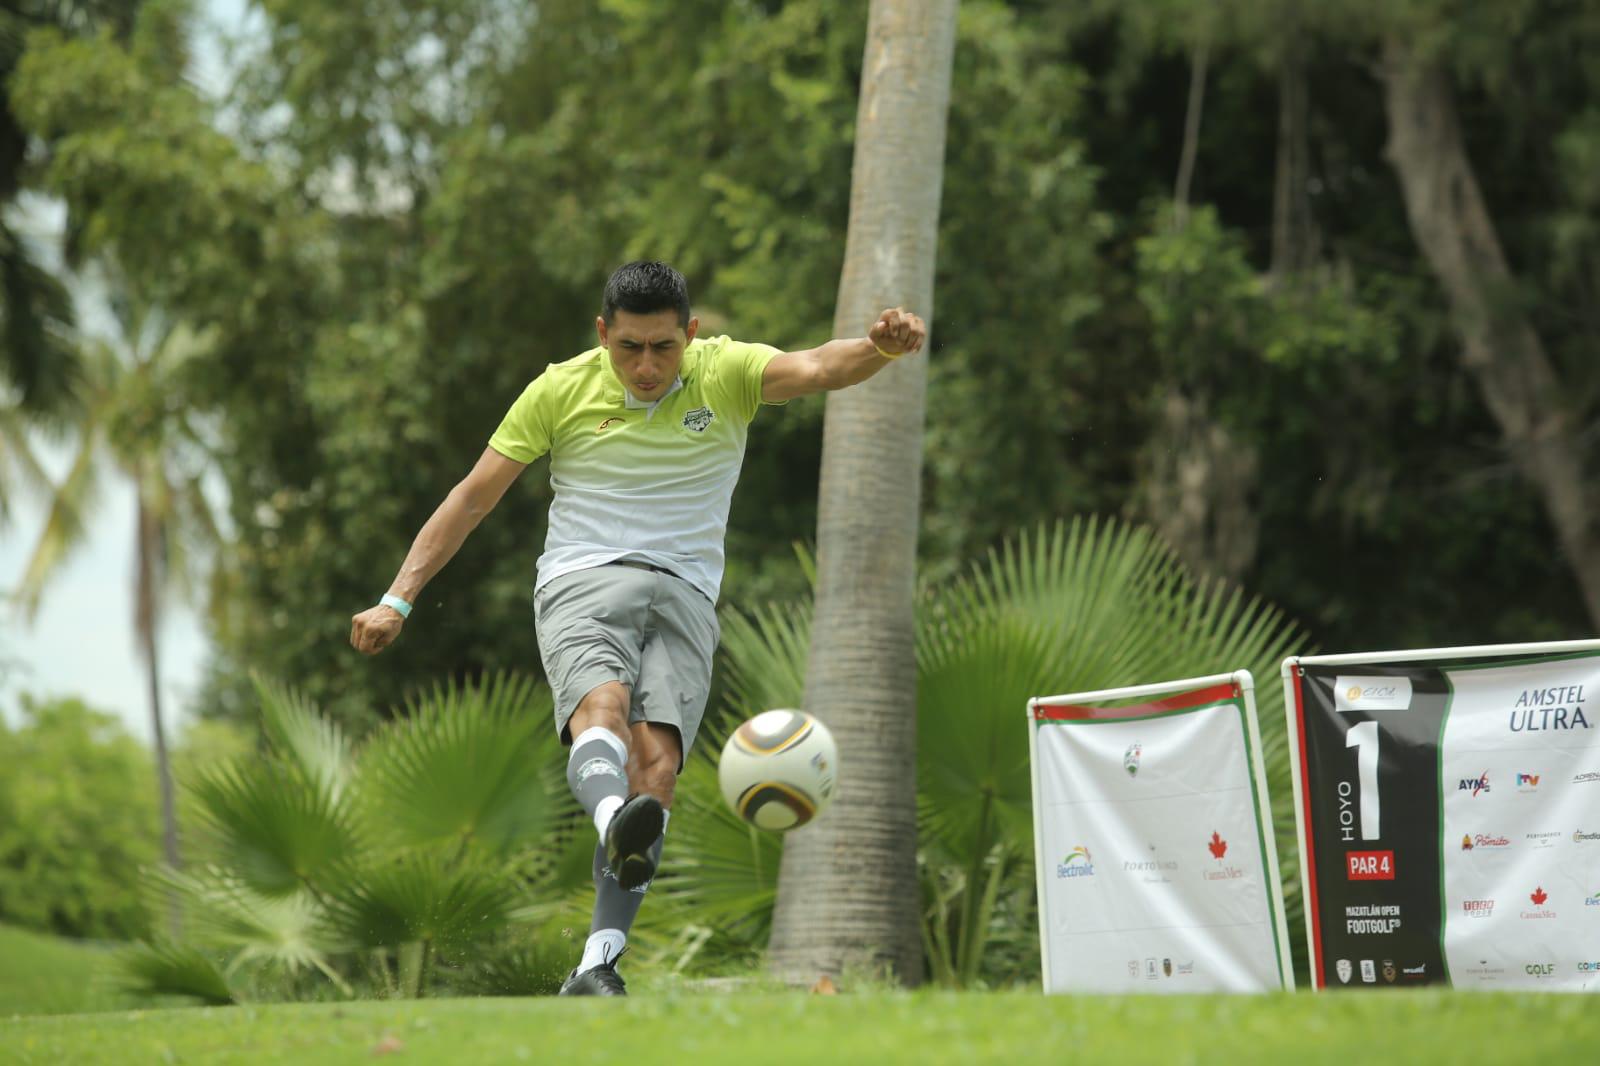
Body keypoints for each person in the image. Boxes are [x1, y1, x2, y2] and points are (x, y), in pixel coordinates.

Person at [349, 260, 925, 995]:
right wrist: (397, 599)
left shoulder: (726, 372)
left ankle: (596, 965)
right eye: (629, 348)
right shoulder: (558, 389)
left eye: (663, 347)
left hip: (687, 594)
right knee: (605, 709)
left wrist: (877, 348)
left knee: (657, 767)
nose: (646, 366)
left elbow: (818, 367)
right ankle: (614, 818)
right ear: (603, 334)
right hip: (583, 581)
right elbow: (471, 498)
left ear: (692, 333)